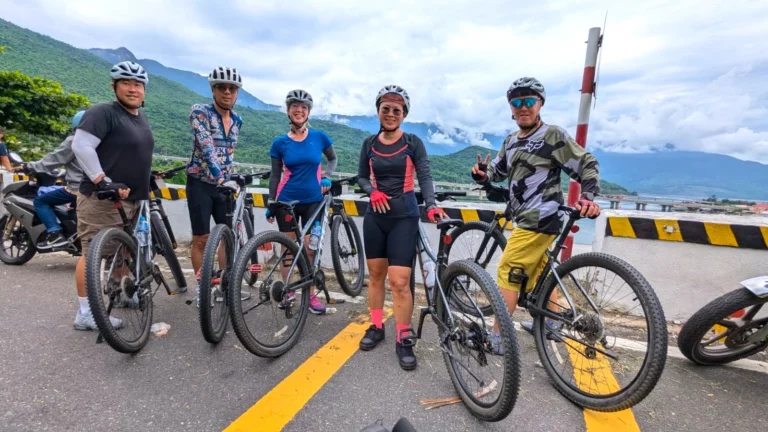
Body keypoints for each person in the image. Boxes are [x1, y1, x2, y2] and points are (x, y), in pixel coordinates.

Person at [470, 77, 601, 352]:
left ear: (540, 103)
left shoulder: (551, 135)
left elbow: (586, 163)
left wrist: (588, 197)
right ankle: (551, 325)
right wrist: (483, 176)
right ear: (511, 108)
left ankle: (498, 338)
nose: (523, 107)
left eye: (529, 101)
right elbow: (499, 171)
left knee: (507, 271)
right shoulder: (511, 141)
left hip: (539, 219)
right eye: (517, 102)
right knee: (542, 271)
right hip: (526, 217)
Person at [356, 85, 446, 371]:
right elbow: (360, 175)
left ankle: (404, 337)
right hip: (375, 217)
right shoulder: (369, 143)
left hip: (404, 217)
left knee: (399, 282)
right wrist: (372, 191)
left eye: (397, 110)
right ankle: (376, 325)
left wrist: (430, 204)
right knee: (375, 276)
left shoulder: (412, 142)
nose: (391, 114)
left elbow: (425, 175)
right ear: (378, 111)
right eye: (386, 109)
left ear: (404, 114)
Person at [70, 61, 155, 331]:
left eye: (138, 84)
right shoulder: (102, 112)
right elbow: (81, 146)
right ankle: (85, 312)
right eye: (126, 83)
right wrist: (101, 180)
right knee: (93, 253)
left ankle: (122, 294)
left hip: (131, 198)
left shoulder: (139, 116)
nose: (133, 89)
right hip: (102, 199)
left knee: (124, 251)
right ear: (114, 86)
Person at [266, 89, 337, 315]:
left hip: (313, 201)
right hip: (287, 201)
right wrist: (271, 201)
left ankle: (310, 293)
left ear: (308, 112)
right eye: (295, 106)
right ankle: (288, 291)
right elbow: (275, 175)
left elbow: (332, 158)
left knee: (310, 250)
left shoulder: (319, 137)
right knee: (288, 250)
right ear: (288, 111)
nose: (299, 110)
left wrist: (326, 175)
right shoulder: (280, 143)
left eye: (303, 107)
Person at [185, 66, 247, 305]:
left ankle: (225, 284)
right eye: (222, 87)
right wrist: (219, 175)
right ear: (213, 89)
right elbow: (207, 146)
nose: (227, 92)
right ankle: (203, 288)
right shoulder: (200, 112)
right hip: (201, 183)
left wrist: (232, 178)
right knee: (201, 238)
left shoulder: (238, 120)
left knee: (226, 236)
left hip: (224, 186)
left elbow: (228, 153)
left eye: (232, 88)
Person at [21, 111, 86, 249]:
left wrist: (29, 166)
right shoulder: (101, 141)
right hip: (98, 187)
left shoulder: (75, 140)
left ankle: (54, 234)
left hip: (78, 189)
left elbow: (53, 160)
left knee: (41, 201)